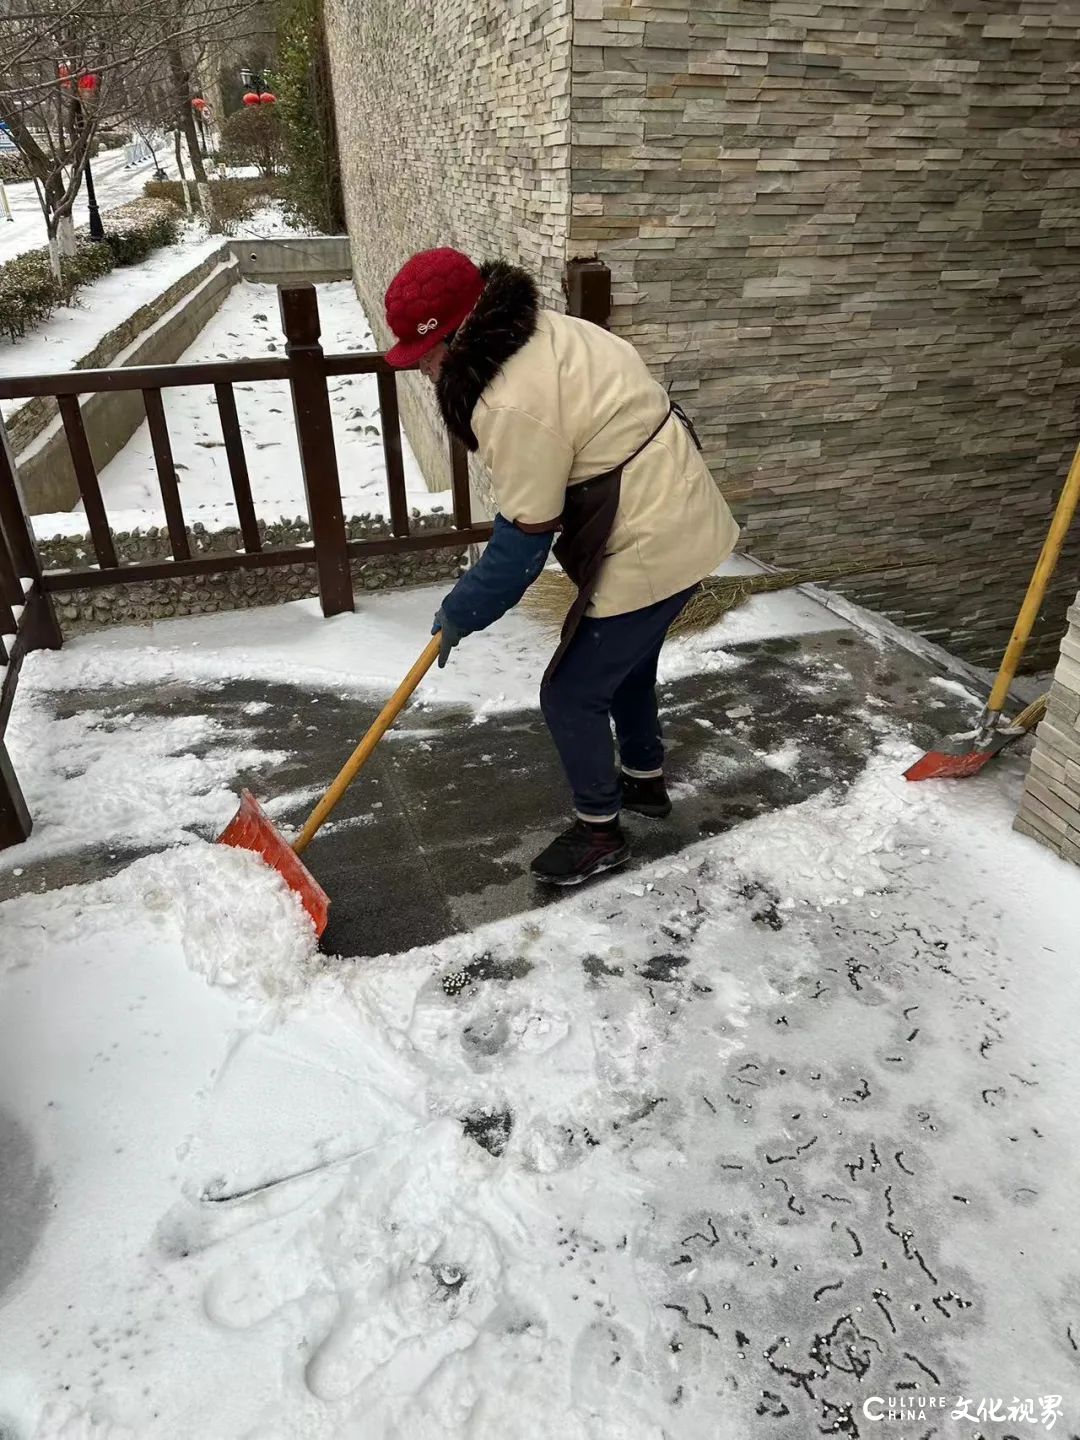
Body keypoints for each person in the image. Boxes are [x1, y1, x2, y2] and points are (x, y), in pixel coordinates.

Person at [383, 247, 740, 885]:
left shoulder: (509, 401)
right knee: (625, 668)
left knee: (569, 694)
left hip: (652, 533)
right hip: (682, 513)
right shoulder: (541, 330)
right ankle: (643, 783)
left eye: (431, 356)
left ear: (464, 331)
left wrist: (461, 610)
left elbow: (523, 541)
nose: (428, 372)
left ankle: (600, 832)